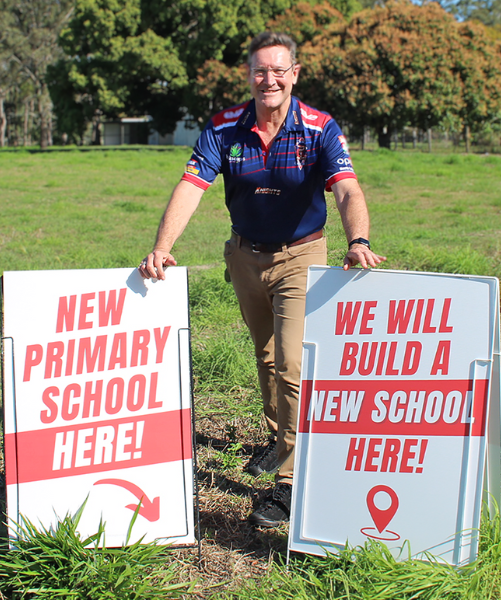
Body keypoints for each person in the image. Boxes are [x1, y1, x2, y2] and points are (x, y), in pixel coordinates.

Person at [138, 31, 385, 528]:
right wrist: (162, 248)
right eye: (259, 70)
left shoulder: (320, 127)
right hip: (244, 256)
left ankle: (291, 482)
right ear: (248, 75)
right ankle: (279, 441)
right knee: (267, 353)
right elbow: (191, 186)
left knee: (292, 362)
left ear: (295, 73)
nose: (268, 79)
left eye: (279, 70)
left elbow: (347, 190)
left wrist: (357, 240)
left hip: (301, 256)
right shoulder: (224, 127)